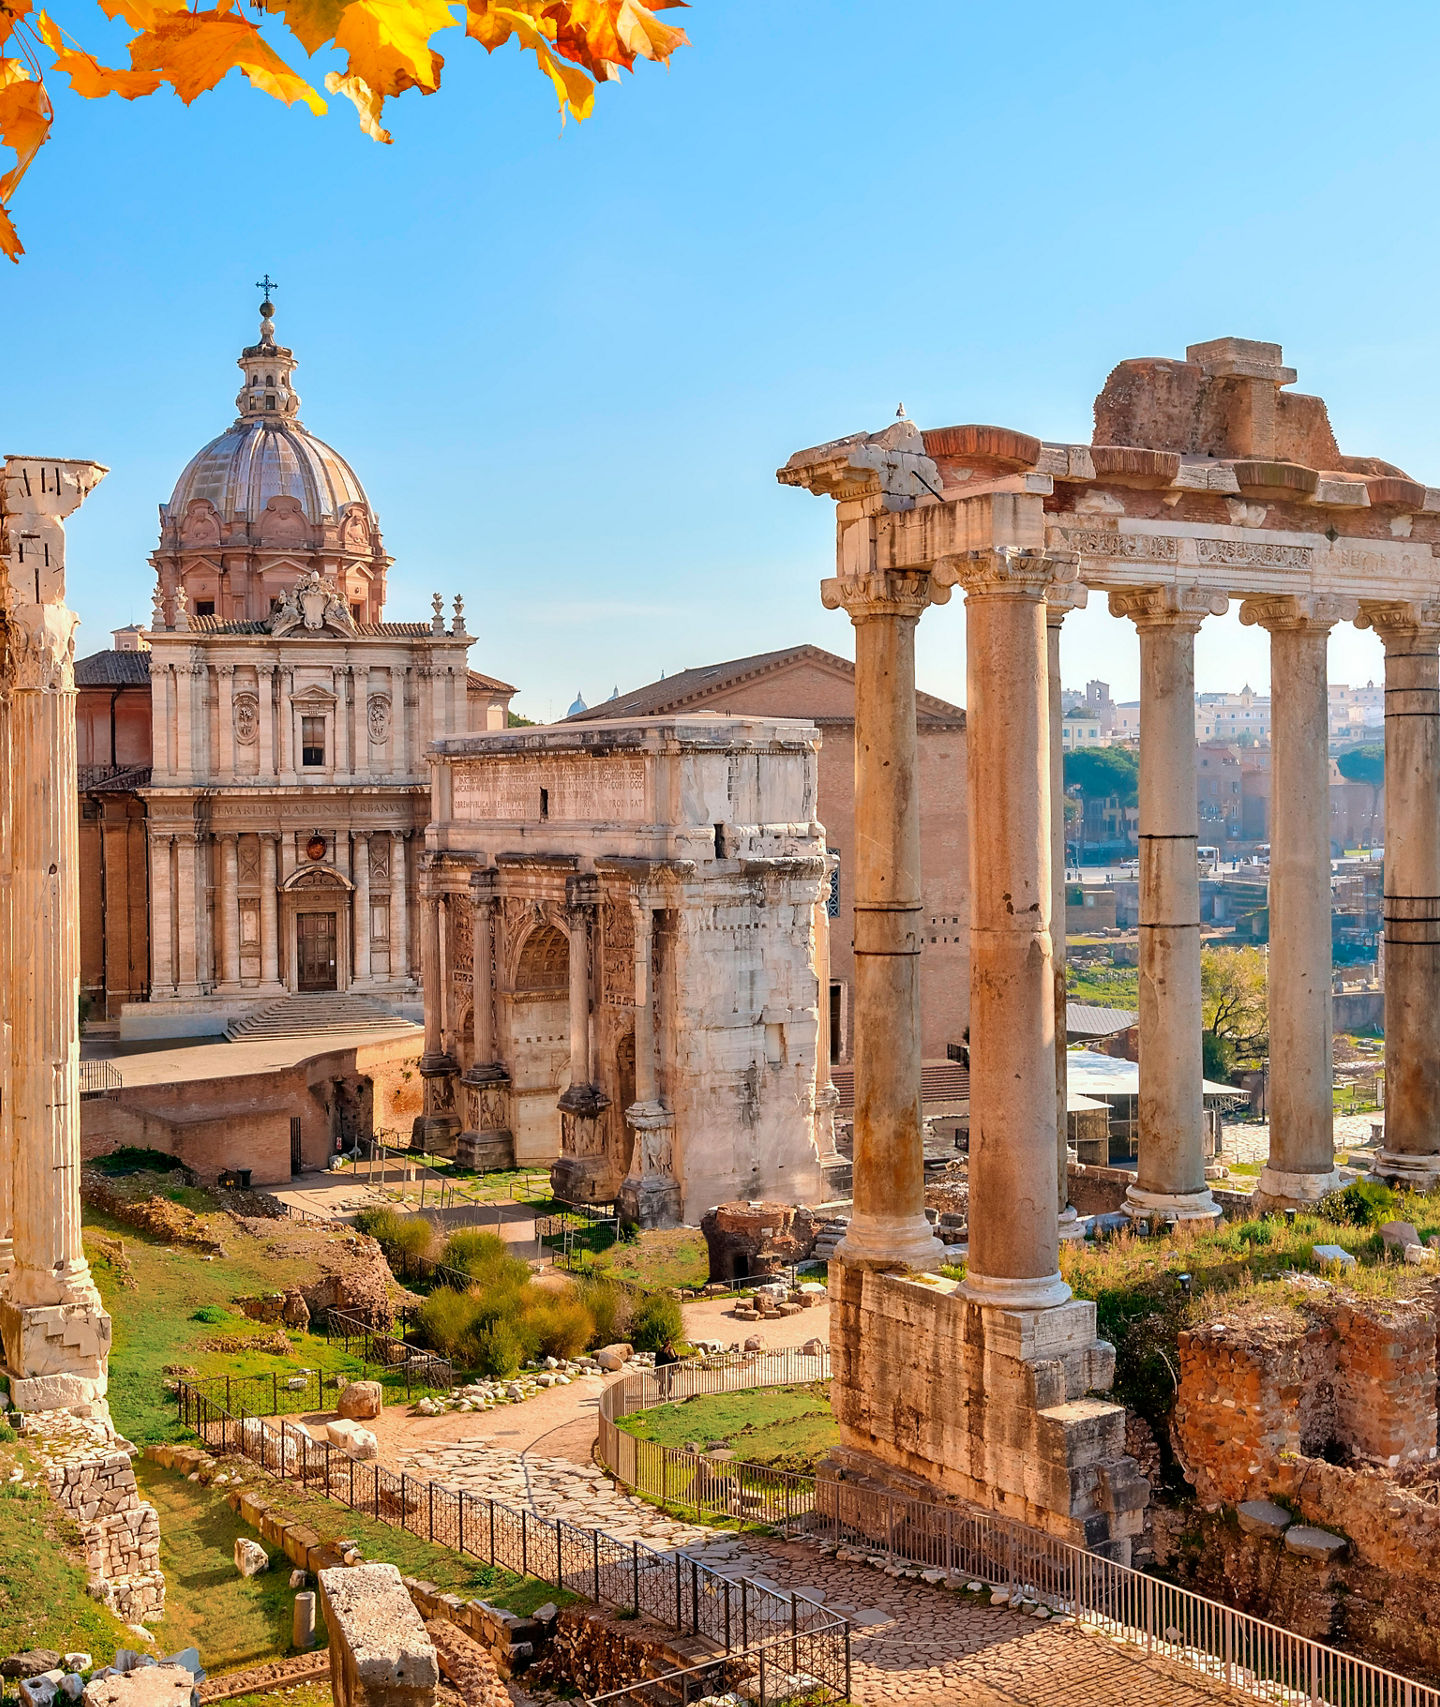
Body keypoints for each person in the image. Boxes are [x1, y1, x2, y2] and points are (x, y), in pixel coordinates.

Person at [654, 1336, 680, 1400]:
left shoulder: (660, 1350)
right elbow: (670, 1361)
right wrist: (677, 1357)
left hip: (660, 1369)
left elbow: (656, 1360)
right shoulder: (666, 1352)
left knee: (662, 1382)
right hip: (666, 1370)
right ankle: (666, 1394)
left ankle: (661, 1395)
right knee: (669, 1382)